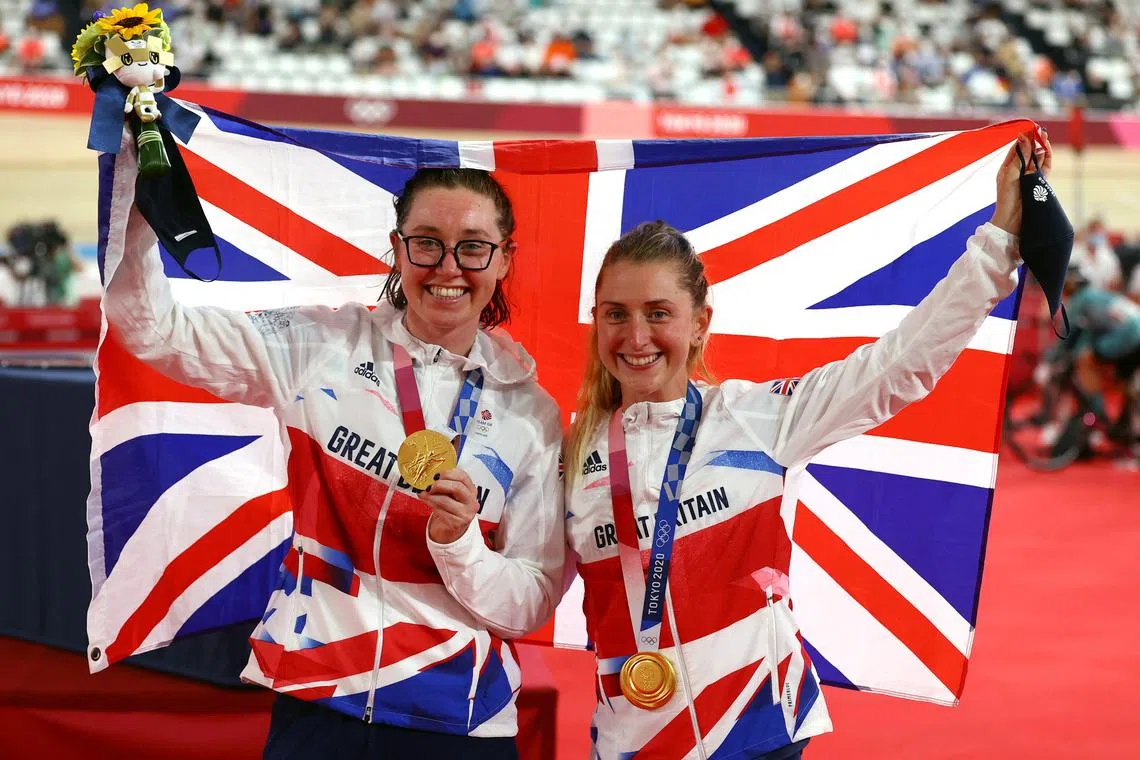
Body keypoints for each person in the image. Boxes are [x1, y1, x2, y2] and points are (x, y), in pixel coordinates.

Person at [563, 132, 1049, 759]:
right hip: (631, 741)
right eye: (615, 314)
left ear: (700, 321)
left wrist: (1000, 239)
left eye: (659, 313)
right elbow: (526, 595)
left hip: (760, 729)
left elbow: (900, 366)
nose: (636, 336)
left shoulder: (760, 416)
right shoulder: (568, 455)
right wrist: (457, 539)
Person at [103, 168, 564, 759]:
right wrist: (137, 180)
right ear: (397, 249)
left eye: (473, 247)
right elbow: (153, 330)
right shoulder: (320, 345)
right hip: (318, 700)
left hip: (457, 723)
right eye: (426, 242)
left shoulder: (532, 415)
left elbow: (529, 604)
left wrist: (460, 544)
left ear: (503, 260)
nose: (449, 267)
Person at [1044, 267, 1140, 460]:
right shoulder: (1099, 295)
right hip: (1131, 336)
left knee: (1085, 362)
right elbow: (1090, 332)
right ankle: (1121, 425)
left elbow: (1067, 334)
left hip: (1128, 338)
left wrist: (1050, 360)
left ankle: (1096, 413)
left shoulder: (1081, 299)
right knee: (1123, 384)